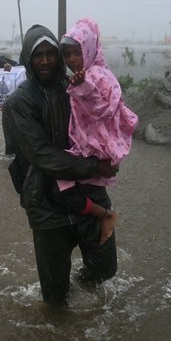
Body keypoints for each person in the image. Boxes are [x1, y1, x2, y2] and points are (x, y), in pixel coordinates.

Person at [3, 24, 119, 306]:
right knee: (55, 297)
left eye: (50, 53)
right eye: (37, 55)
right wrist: (95, 167)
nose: (45, 60)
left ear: (59, 55)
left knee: (106, 268)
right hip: (45, 203)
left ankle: (84, 286)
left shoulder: (76, 86)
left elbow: (104, 117)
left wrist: (111, 153)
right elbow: (42, 155)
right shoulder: (19, 103)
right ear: (28, 59)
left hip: (88, 192)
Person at [56, 17, 138, 244]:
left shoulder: (100, 76)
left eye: (77, 52)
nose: (72, 59)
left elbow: (105, 109)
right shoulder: (81, 75)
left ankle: (106, 219)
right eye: (67, 54)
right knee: (67, 190)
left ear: (89, 49)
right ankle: (103, 221)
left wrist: (85, 88)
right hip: (84, 147)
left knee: (66, 189)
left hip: (96, 151)